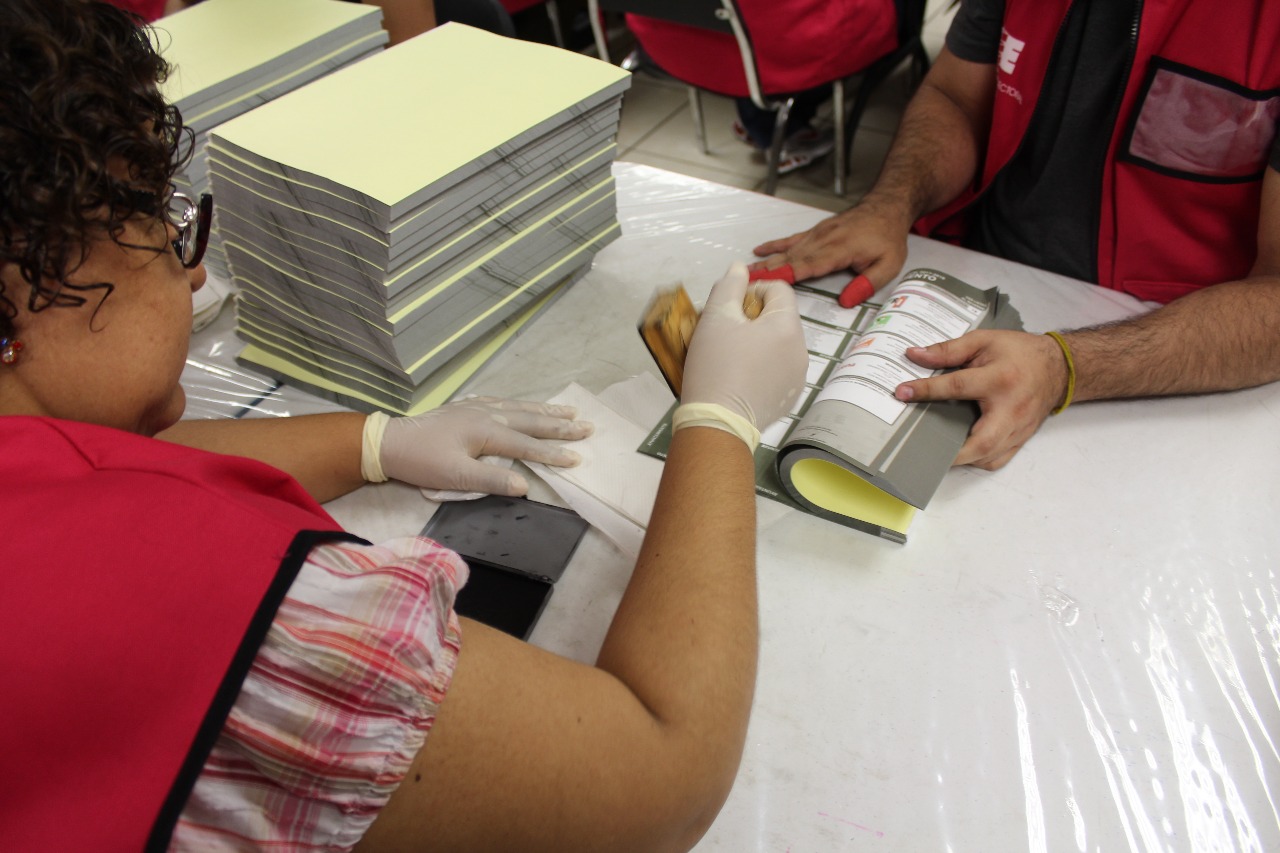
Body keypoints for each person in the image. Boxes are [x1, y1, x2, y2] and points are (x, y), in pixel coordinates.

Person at [0, 2, 808, 851]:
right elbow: (661, 779)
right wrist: (721, 417)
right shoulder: (183, 597)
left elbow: (103, 463)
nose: (196, 278)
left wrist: (373, 441)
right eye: (158, 229)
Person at [752, 0, 1280, 471]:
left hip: (1175, 347)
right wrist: (890, 205)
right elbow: (956, 97)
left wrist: (1066, 367)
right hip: (983, 278)